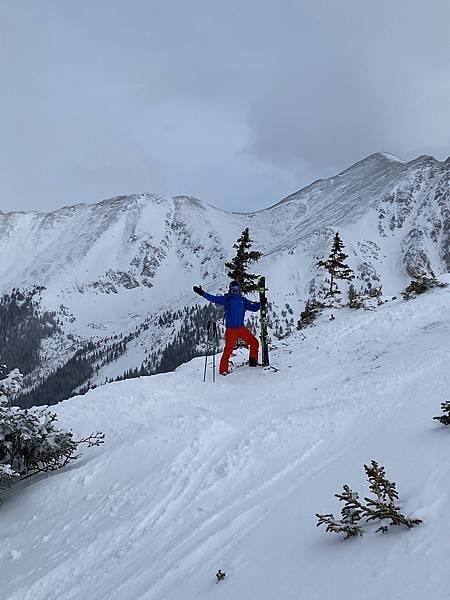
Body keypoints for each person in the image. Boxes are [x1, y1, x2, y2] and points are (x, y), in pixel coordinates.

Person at [193, 280, 260, 375]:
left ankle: (253, 362)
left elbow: (254, 307)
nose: (235, 291)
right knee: (228, 350)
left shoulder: (243, 300)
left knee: (254, 343)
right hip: (231, 330)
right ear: (230, 289)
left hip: (241, 328)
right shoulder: (227, 299)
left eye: (236, 289)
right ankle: (223, 370)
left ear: (239, 289)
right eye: (233, 289)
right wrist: (202, 293)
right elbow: (214, 298)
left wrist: (261, 303)